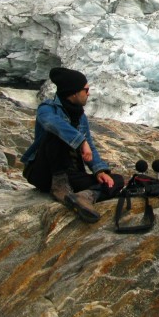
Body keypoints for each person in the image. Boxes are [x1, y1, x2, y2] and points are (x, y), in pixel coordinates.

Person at [21, 67, 124, 223]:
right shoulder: (47, 109)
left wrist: (99, 170)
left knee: (116, 180)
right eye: (86, 90)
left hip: (72, 175)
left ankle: (85, 197)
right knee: (55, 134)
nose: (88, 93)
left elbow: (90, 146)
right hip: (43, 172)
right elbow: (52, 123)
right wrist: (80, 141)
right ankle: (59, 184)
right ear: (74, 92)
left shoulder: (80, 117)